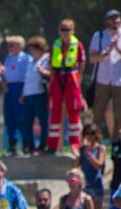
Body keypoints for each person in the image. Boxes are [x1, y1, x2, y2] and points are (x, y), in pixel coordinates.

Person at [47, 19, 86, 156]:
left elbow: (81, 63)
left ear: (73, 31)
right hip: (57, 77)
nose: (65, 32)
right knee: (55, 111)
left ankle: (74, 144)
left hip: (71, 77)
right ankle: (53, 145)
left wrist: (78, 81)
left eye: (68, 29)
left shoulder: (77, 45)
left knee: (73, 110)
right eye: (62, 29)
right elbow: (51, 63)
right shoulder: (56, 44)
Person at [90, 10, 121, 138]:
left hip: (118, 81)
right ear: (106, 21)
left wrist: (116, 48)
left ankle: (116, 146)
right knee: (98, 114)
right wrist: (106, 52)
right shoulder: (99, 36)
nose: (115, 21)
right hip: (102, 80)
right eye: (111, 19)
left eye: (117, 19)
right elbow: (92, 58)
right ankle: (94, 143)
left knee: (119, 115)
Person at [23, 36, 51, 154]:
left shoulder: (46, 59)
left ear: (39, 49)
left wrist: (43, 72)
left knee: (43, 122)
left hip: (40, 94)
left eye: (32, 49)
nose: (31, 52)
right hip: (28, 95)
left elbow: (51, 75)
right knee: (27, 122)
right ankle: (30, 146)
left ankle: (43, 145)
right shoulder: (30, 61)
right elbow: (27, 79)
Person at [3, 35, 29, 156]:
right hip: (9, 88)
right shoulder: (8, 58)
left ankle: (26, 143)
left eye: (12, 45)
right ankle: (12, 144)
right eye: (9, 45)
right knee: (9, 117)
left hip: (20, 87)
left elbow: (26, 75)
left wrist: (23, 92)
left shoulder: (25, 58)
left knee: (20, 117)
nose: (10, 47)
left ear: (20, 46)